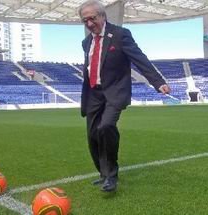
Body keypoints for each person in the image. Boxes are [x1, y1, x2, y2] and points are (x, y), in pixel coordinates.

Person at [78, 0, 171, 192]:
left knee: (106, 126)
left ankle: (111, 175)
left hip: (114, 91)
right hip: (93, 94)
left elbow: (139, 58)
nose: (89, 24)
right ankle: (103, 174)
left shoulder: (120, 35)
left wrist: (158, 81)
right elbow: (90, 66)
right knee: (92, 135)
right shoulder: (86, 42)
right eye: (84, 20)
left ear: (103, 16)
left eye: (92, 18)